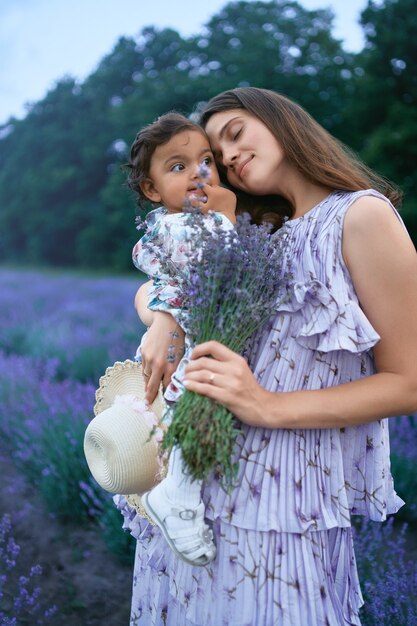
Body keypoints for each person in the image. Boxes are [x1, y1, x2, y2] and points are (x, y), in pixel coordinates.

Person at [116, 88, 417, 626]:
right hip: (192, 504)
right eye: (215, 155)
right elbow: (155, 287)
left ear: (283, 122)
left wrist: (266, 405)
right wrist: (164, 318)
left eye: (234, 136)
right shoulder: (259, 233)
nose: (227, 158)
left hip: (284, 508)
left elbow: (410, 382)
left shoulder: (358, 216)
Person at [119, 112, 238, 567]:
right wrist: (226, 212)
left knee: (196, 421)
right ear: (152, 191)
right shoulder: (179, 225)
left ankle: (179, 496)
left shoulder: (179, 223)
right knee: (200, 410)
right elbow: (214, 264)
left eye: (205, 161)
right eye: (178, 167)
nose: (198, 174)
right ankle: (178, 499)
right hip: (186, 349)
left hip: (188, 343)